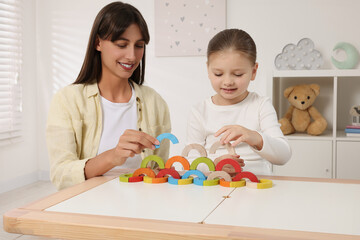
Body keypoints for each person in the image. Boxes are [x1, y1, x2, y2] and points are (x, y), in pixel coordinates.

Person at [46, 1, 171, 190]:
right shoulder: (68, 100)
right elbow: (61, 175)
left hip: (143, 206)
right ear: (98, 43)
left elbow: (159, 171)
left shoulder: (155, 102)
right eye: (122, 44)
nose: (132, 56)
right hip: (89, 207)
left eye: (139, 45)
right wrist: (113, 156)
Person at [186, 29, 291, 175]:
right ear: (208, 70)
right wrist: (213, 165)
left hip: (256, 186)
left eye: (238, 74)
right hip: (216, 186)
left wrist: (255, 137)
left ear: (254, 71)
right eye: (218, 74)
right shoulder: (199, 111)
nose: (228, 81)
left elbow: (283, 155)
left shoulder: (260, 105)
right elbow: (190, 161)